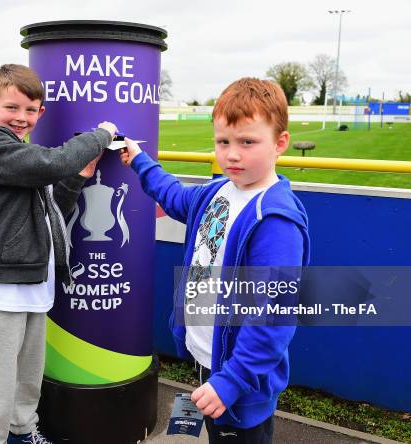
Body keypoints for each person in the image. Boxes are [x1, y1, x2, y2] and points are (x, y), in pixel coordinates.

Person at [120, 78, 310, 443]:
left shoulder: (274, 220)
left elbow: (271, 316)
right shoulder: (218, 191)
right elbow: (173, 195)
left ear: (280, 143)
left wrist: (232, 381)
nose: (232, 154)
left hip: (240, 384)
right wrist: (140, 161)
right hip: (210, 363)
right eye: (223, 142)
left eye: (247, 142)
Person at [0, 64, 117, 444]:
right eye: (12, 108)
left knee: (27, 381)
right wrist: (103, 134)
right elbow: (53, 163)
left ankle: (22, 433)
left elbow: (53, 214)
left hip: (34, 288)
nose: (21, 117)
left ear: (40, 113)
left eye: (30, 110)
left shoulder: (22, 154)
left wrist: (79, 177)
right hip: (1, 291)